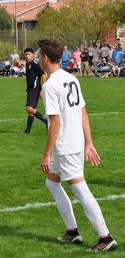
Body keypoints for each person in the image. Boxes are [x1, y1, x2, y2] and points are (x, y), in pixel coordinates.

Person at [38, 38, 117, 252]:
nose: (38, 58)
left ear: (45, 58)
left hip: (64, 145)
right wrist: (88, 143)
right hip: (72, 143)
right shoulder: (71, 78)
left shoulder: (51, 85)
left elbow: (55, 122)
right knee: (52, 183)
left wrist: (46, 154)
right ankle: (73, 232)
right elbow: (83, 111)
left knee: (81, 189)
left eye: (39, 55)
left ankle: (105, 237)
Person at [22, 48, 47, 134]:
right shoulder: (27, 63)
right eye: (26, 54)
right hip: (30, 89)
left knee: (29, 108)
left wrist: (42, 90)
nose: (27, 56)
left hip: (34, 89)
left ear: (33, 55)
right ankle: (28, 130)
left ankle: (46, 121)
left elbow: (44, 75)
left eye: (29, 54)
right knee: (32, 110)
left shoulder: (35, 64)